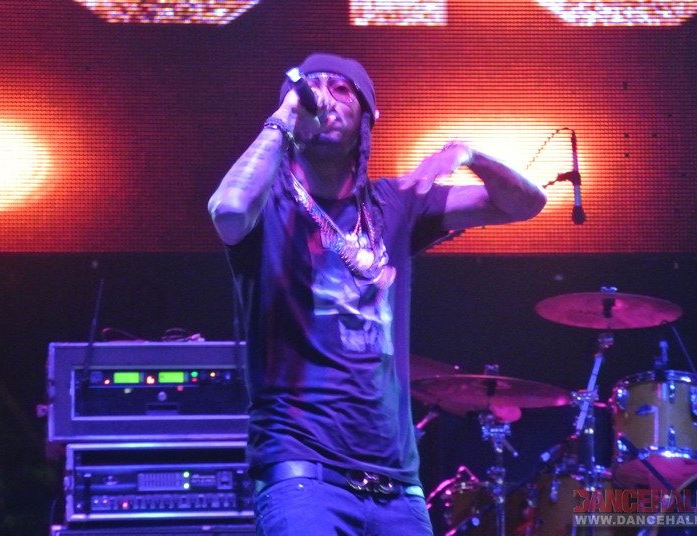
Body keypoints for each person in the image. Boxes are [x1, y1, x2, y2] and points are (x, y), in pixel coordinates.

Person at [208, 52, 546, 536]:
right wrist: (285, 115)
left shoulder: (396, 204)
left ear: (367, 117)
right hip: (303, 475)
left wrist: (469, 154)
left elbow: (524, 205)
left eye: (341, 89)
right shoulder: (269, 201)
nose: (324, 97)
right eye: (312, 87)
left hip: (398, 488)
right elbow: (228, 211)